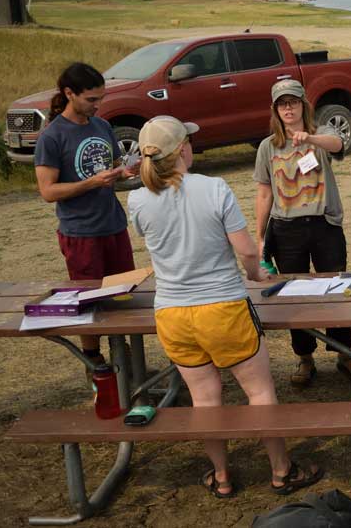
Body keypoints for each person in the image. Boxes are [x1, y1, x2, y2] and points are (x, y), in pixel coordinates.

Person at [128, 116, 322, 498]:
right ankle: (282, 471)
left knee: (204, 399)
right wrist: (256, 274)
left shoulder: (136, 198)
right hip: (222, 307)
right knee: (260, 392)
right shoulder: (214, 188)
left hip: (171, 313)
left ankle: (221, 477)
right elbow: (248, 250)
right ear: (183, 149)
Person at [34, 62, 136, 372]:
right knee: (88, 302)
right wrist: (90, 183)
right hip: (81, 234)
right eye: (91, 99)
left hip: (114, 226)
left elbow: (113, 168)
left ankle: (128, 361)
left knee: (123, 298)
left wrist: (125, 172)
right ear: (69, 93)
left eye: (100, 98)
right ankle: (96, 362)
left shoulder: (102, 126)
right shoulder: (52, 137)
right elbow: (48, 191)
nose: (98, 105)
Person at [254, 79, 351, 387]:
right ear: (275, 109)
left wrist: (309, 137)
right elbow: (263, 193)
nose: (288, 108)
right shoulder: (267, 147)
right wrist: (259, 236)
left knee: (337, 288)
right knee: (293, 295)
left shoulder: (322, 134)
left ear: (303, 105)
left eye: (293, 102)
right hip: (286, 229)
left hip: (324, 225)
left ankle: (344, 353)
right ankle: (304, 357)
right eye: (282, 104)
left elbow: (338, 144)